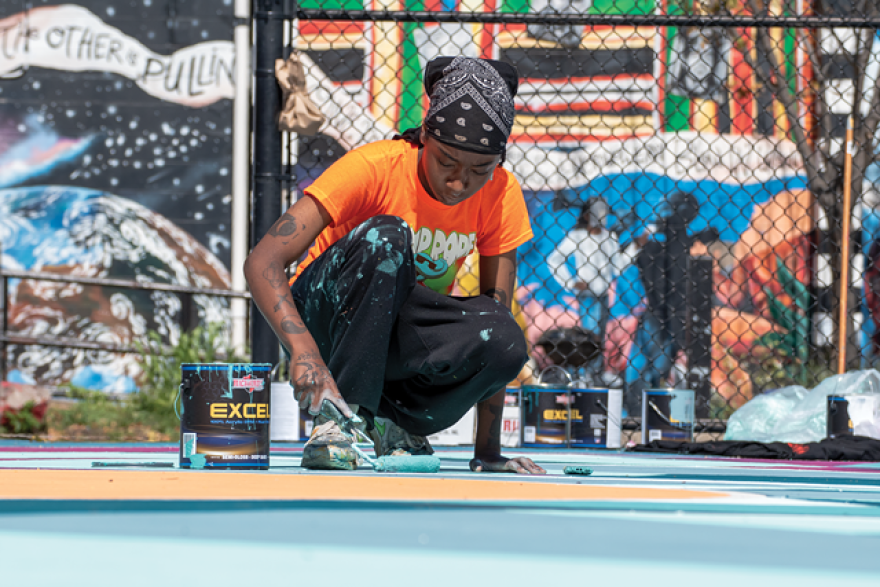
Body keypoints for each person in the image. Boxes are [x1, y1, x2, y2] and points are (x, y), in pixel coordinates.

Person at [244, 56, 545, 475]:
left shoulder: (501, 193)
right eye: (446, 162)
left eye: (480, 170)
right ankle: (339, 418)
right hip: (327, 325)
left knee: (506, 338)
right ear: (424, 135)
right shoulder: (376, 168)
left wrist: (488, 453)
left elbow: (494, 317)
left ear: (499, 161)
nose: (460, 184)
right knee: (387, 236)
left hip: (393, 348)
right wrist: (304, 352)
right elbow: (263, 261)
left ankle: (393, 422)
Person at [546, 197, 620, 383]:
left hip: (602, 294)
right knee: (590, 336)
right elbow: (554, 260)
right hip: (587, 296)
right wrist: (571, 283)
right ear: (587, 216)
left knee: (599, 337)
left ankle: (593, 377)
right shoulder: (577, 236)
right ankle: (586, 378)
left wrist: (635, 247)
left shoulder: (609, 238)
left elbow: (617, 267)